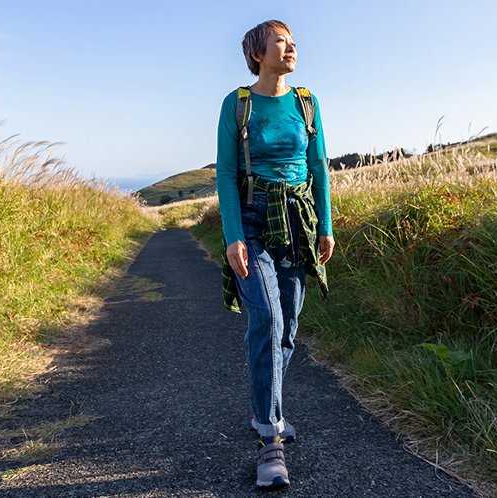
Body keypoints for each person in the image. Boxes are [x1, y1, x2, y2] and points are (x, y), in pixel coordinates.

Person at [215, 19, 334, 490]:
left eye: (292, 42)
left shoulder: (307, 103)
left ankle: (268, 406)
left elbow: (319, 165)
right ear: (256, 52)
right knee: (267, 320)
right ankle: (269, 439)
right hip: (252, 220)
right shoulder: (237, 105)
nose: (290, 48)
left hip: (299, 222)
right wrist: (232, 236)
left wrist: (325, 225)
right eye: (280, 42)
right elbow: (225, 173)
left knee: (290, 327)